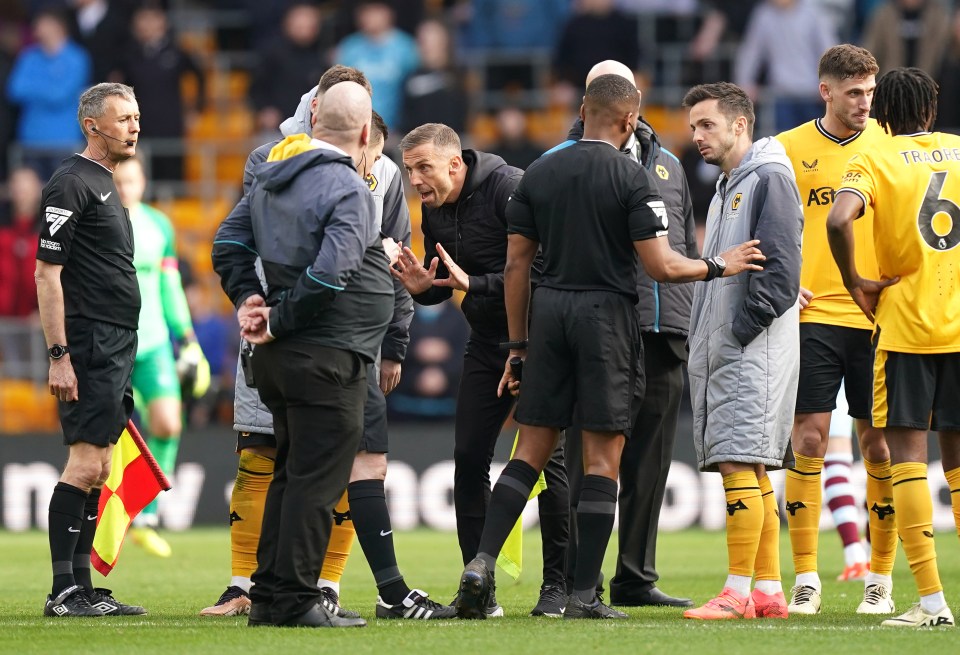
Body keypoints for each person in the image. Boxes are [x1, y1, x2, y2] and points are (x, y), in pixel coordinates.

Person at [451, 74, 764, 621]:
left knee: (531, 452)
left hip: (547, 316)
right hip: (606, 320)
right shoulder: (633, 176)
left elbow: (515, 267)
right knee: (602, 458)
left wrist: (518, 345)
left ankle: (480, 561)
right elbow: (662, 266)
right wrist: (720, 264)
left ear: (583, 111)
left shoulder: (540, 171)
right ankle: (581, 596)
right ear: (628, 121)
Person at [212, 81, 391, 629]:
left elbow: (227, 243)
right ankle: (295, 601)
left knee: (290, 475)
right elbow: (331, 272)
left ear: (314, 122)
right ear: (365, 133)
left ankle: (268, 596)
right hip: (329, 357)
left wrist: (251, 299)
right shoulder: (349, 189)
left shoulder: (269, 179)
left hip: (283, 361)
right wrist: (280, 318)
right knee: (315, 483)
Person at [393, 123, 570, 618]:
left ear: (455, 164)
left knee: (548, 465)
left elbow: (546, 267)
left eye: (422, 168)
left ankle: (556, 589)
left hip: (539, 342)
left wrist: (479, 283)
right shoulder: (434, 206)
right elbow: (445, 282)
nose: (416, 182)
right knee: (469, 457)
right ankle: (478, 590)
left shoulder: (510, 186)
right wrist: (419, 285)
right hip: (485, 343)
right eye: (409, 171)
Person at [543, 59, 697, 609]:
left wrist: (686, 315)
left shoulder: (670, 167)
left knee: (651, 461)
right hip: (603, 330)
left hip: (663, 328)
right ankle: (579, 582)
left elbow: (683, 246)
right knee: (591, 460)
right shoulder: (559, 163)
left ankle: (635, 575)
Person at [826, 66, 960, 629]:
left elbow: (838, 218)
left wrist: (855, 281)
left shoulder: (874, 157)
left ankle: (932, 604)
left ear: (883, 114)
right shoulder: (957, 149)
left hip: (905, 326)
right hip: (959, 322)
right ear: (930, 110)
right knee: (957, 465)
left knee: (906, 459)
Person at [775, 44, 897, 616]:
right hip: (815, 313)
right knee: (810, 440)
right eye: (853, 93)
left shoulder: (891, 142)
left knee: (879, 444)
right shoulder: (787, 149)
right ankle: (806, 577)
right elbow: (766, 225)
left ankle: (880, 576)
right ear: (826, 91)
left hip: (879, 316)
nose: (864, 103)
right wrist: (781, 280)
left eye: (869, 92)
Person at [681, 82, 803, 621]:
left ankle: (734, 592)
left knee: (737, 460)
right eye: (692, 127)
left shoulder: (769, 178)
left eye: (707, 125)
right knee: (752, 469)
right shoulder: (732, 182)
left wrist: (739, 330)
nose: (697, 136)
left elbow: (778, 274)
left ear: (739, 124)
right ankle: (770, 592)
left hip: (750, 346)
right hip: (741, 345)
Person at [34, 82, 146, 617]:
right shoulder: (70, 183)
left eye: (136, 116)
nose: (134, 125)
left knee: (101, 466)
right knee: (83, 465)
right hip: (90, 340)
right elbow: (46, 274)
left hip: (117, 342)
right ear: (92, 126)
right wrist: (59, 355)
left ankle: (82, 586)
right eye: (123, 118)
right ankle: (63, 591)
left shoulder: (105, 183)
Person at [108, 156, 210, 558]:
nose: (124, 188)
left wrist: (187, 339)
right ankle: (104, 519)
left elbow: (170, 286)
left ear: (143, 180)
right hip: (111, 345)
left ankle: (148, 517)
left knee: (168, 422)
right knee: (105, 437)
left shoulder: (158, 226)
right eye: (117, 181)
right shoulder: (97, 223)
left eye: (130, 180)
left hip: (151, 345)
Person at [6, 9, 90, 180]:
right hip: (30, 141)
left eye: (42, 24)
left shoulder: (77, 57)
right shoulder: (29, 56)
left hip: (65, 142)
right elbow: (14, 89)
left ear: (58, 27)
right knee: (29, 198)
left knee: (64, 198)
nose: (36, 29)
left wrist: (34, 87)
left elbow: (60, 95)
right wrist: (50, 86)